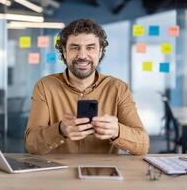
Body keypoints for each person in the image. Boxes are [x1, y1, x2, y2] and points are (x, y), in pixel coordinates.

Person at [24, 18, 150, 155]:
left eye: (90, 47)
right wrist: (60, 130)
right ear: (64, 53)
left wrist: (117, 131)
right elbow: (31, 144)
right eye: (74, 47)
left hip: (104, 173)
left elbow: (143, 145)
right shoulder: (45, 86)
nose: (82, 55)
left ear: (100, 52)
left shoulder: (118, 88)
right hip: (59, 173)